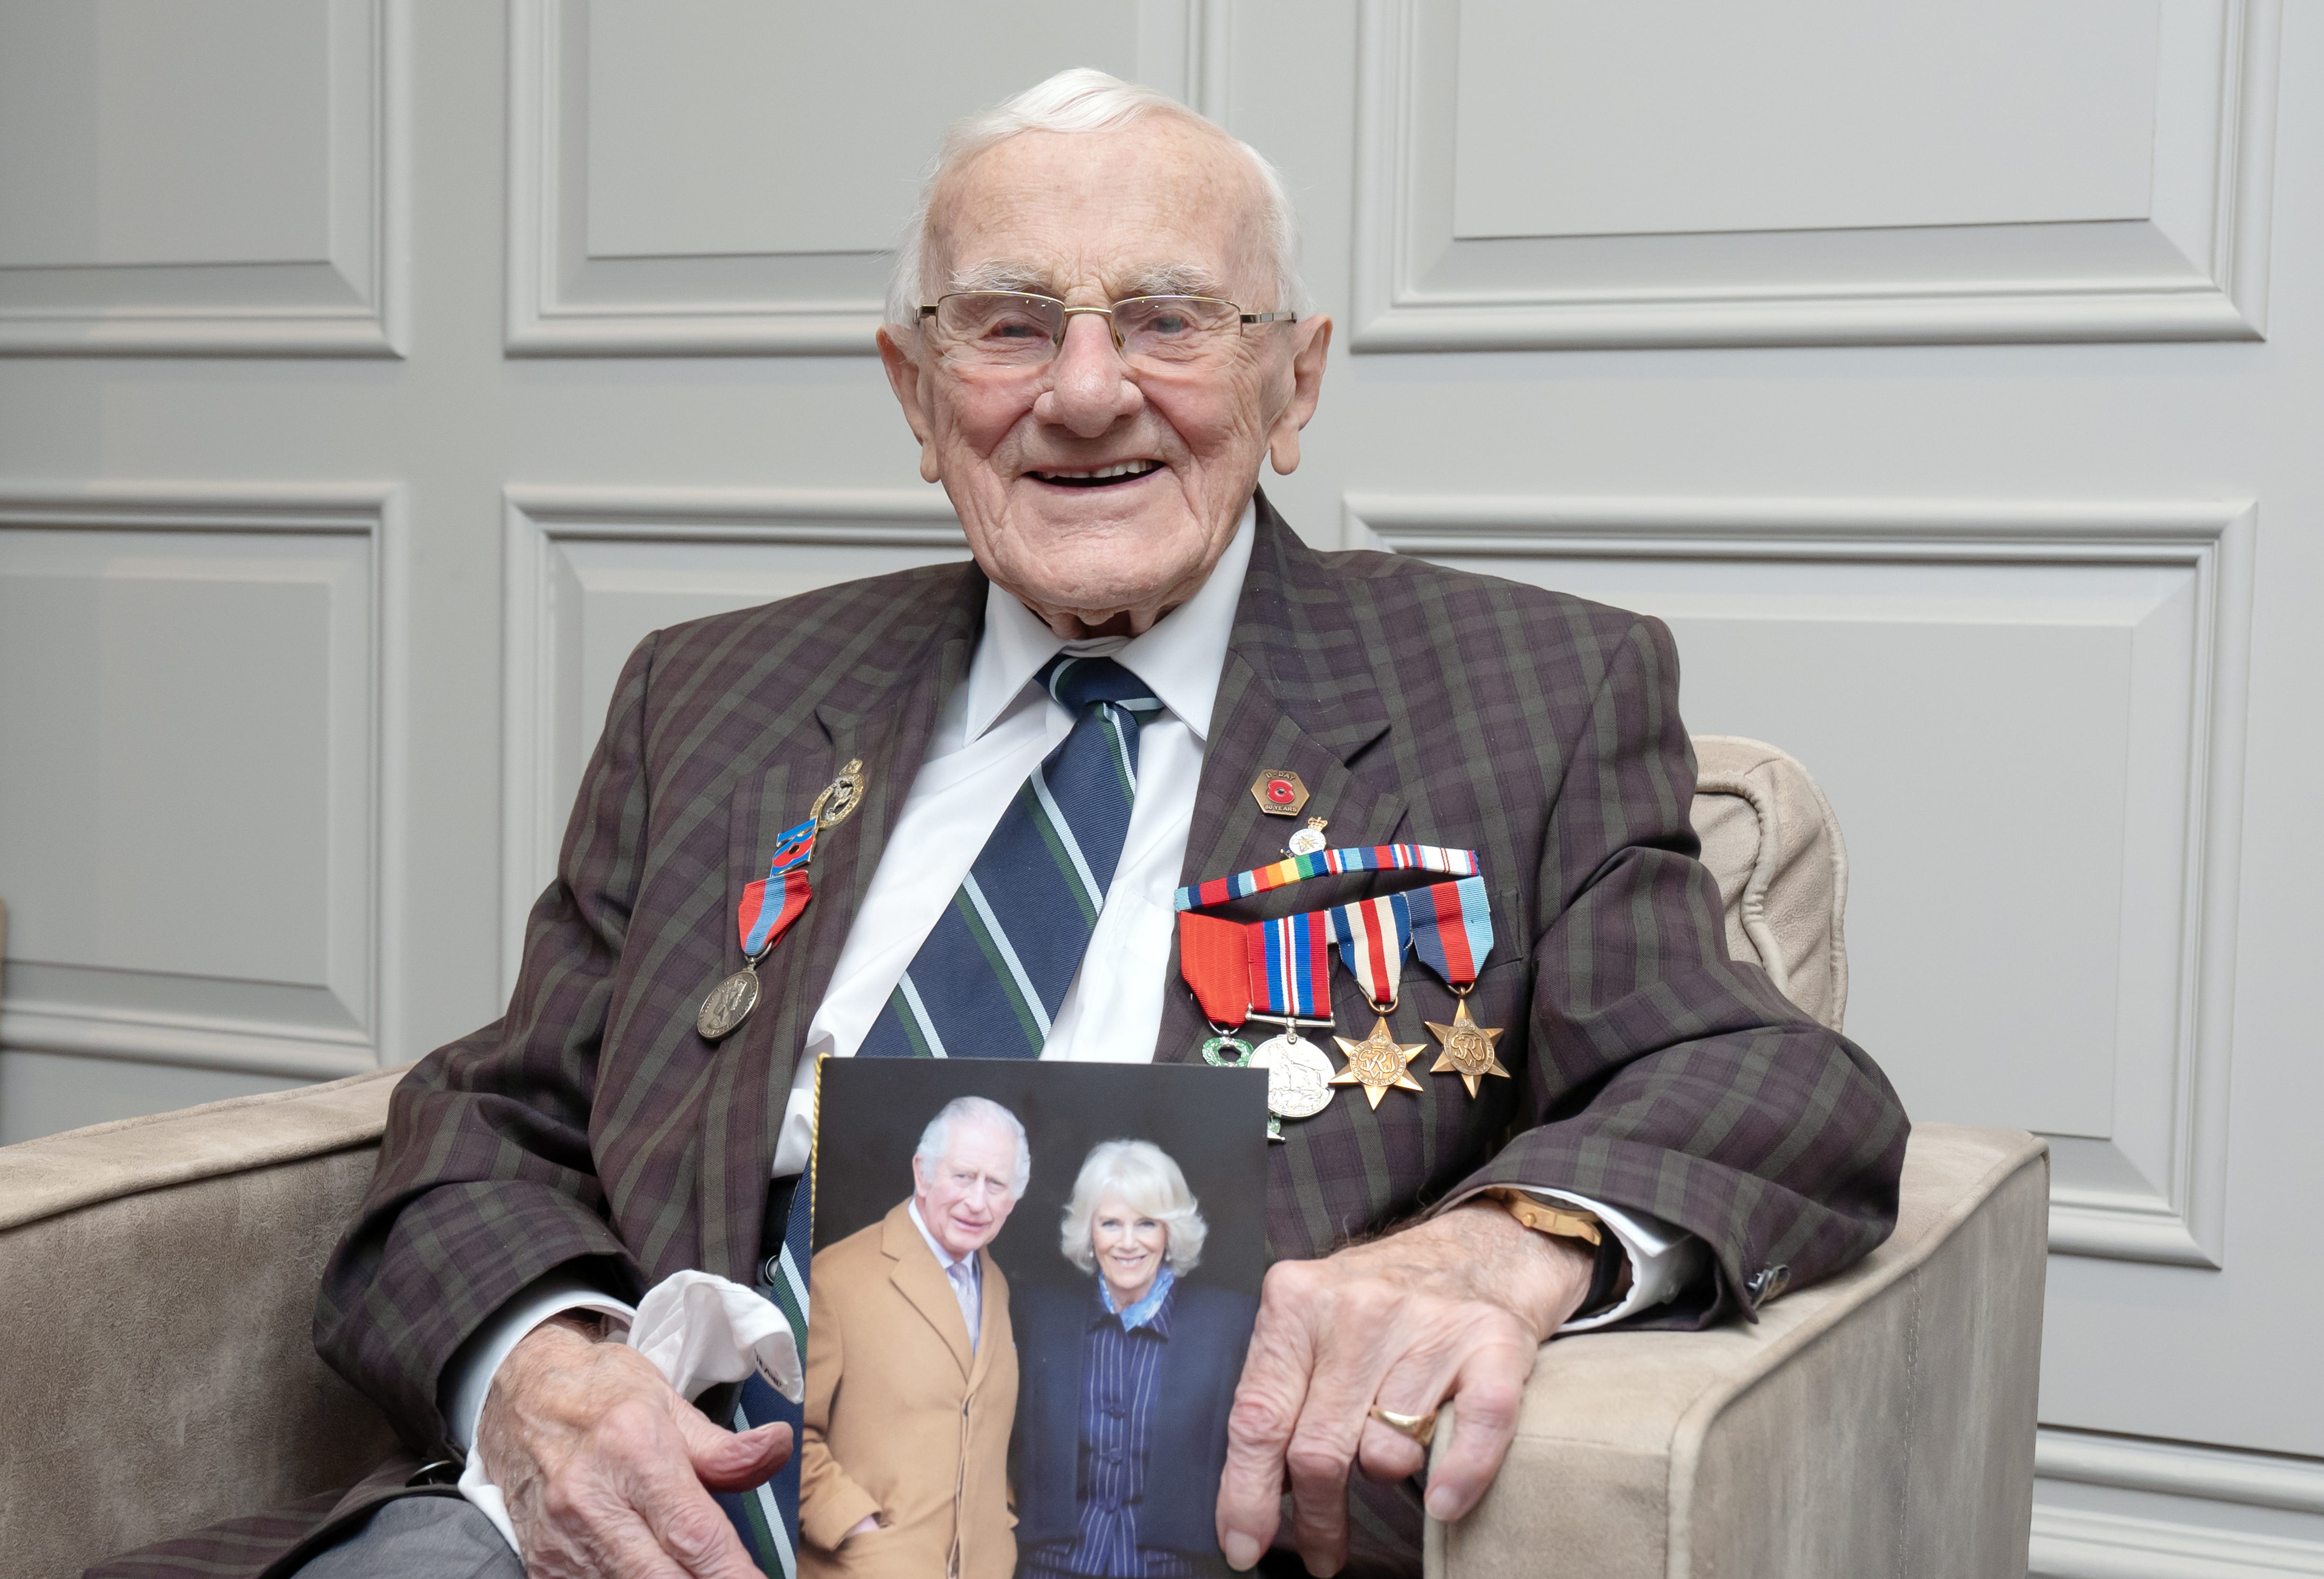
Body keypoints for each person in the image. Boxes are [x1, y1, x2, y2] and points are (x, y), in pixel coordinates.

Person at [106, 67, 1908, 1579]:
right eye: (1012, 323)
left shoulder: (1525, 688)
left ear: (1294, 384)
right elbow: (489, 1113)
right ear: (915, 392)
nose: (1084, 389)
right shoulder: (714, 695)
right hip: (647, 1527)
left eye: (1169, 317)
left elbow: (1767, 1085)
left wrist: (1484, 1254)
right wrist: (548, 1374)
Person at [800, 1096, 1029, 1579]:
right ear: (922, 1174)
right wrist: (854, 1527)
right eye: (963, 1176)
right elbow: (790, 1429)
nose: (976, 1202)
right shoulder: (836, 1276)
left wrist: (998, 1518)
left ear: (1014, 1199)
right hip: (868, 1567)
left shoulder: (997, 1285)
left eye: (996, 1185)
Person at [1011, 1141, 1256, 1579]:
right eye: (1110, 1223)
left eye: (1147, 1223)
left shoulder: (1231, 1323)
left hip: (1174, 1570)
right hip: (1053, 1566)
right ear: (1089, 1231)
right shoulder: (1039, 1316)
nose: (1128, 1242)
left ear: (1170, 1232)